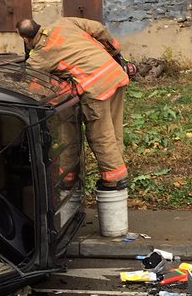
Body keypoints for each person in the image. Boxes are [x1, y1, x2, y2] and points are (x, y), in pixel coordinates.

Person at [18, 16, 136, 188]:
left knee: (100, 135)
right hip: (115, 74)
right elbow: (98, 28)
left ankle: (115, 179)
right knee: (113, 128)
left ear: (25, 39)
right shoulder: (62, 23)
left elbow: (33, 88)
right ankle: (118, 167)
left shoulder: (39, 59)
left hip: (96, 90)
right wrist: (114, 51)